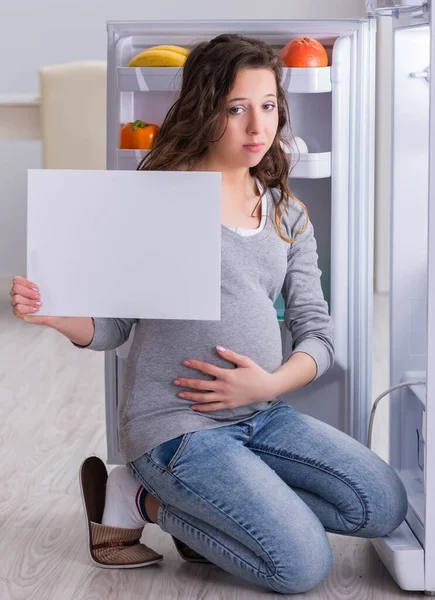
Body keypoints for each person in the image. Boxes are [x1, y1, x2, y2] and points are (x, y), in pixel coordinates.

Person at [11, 33, 408, 595]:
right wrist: (56, 315)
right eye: (236, 109)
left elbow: (317, 335)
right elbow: (117, 327)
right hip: (177, 428)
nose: (257, 128)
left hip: (264, 415)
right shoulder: (160, 198)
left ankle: (222, 507)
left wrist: (266, 385)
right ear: (205, 109)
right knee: (301, 566)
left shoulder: (287, 213)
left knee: (382, 502)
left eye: (268, 106)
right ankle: (139, 496)